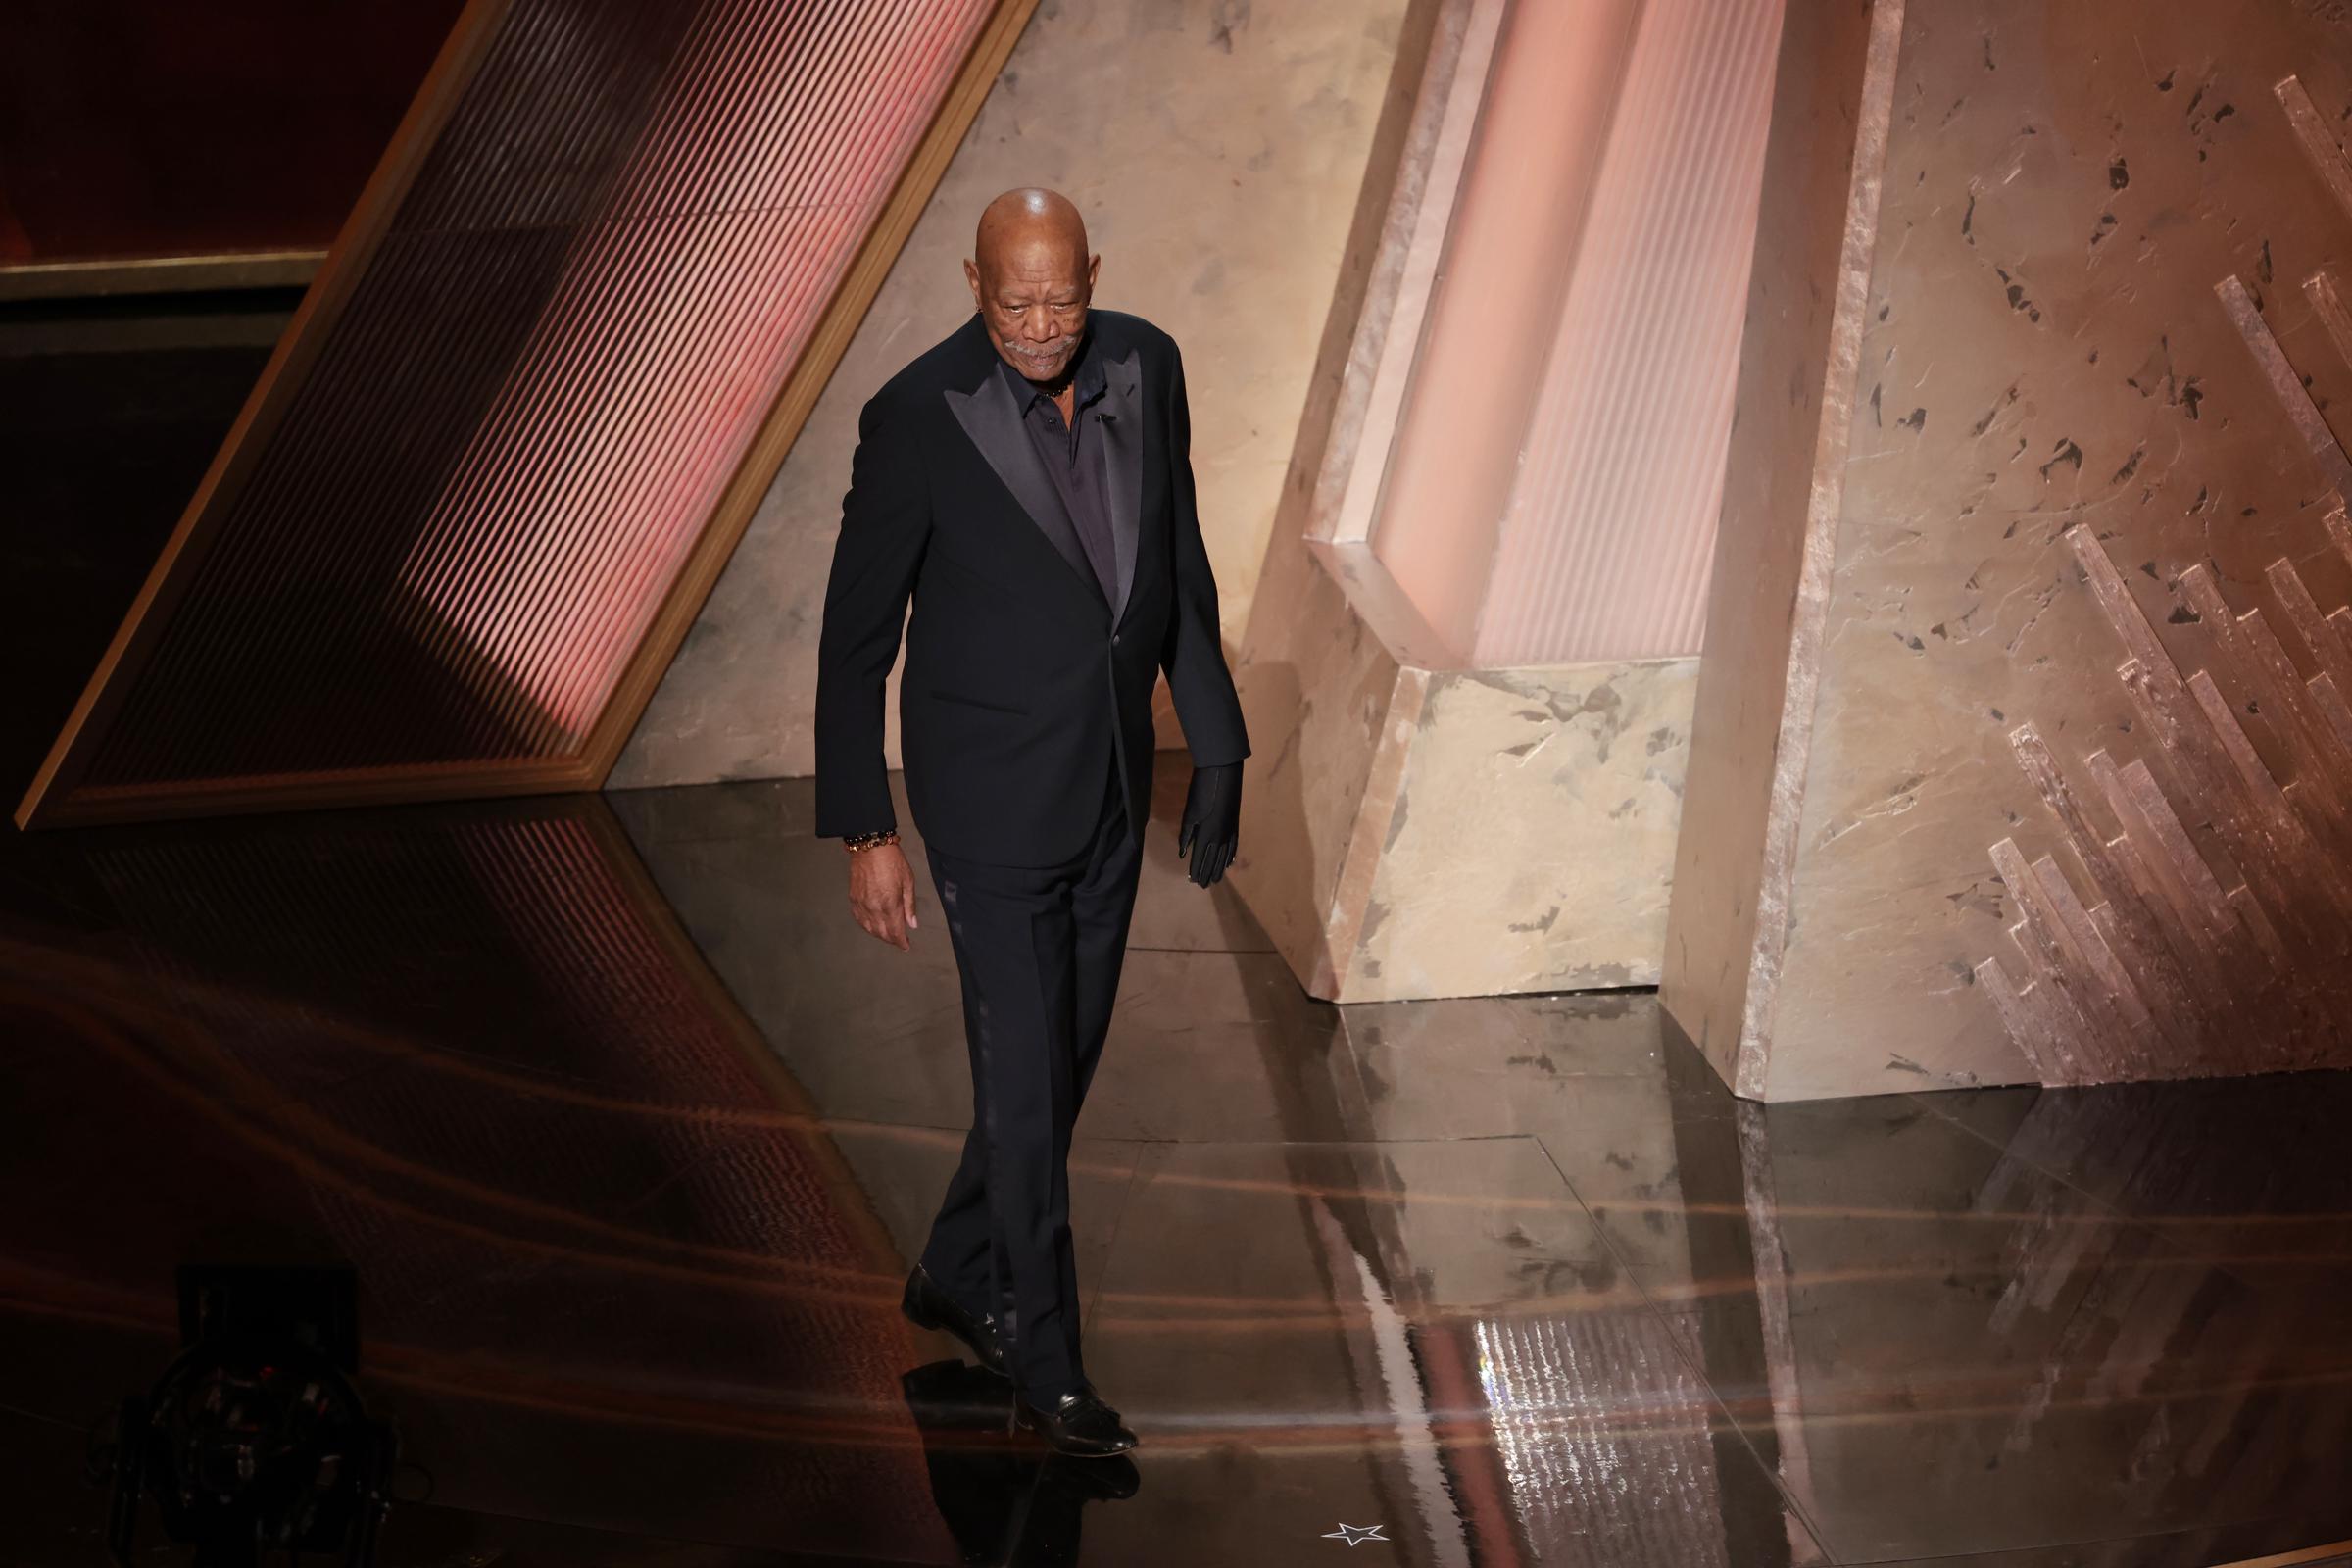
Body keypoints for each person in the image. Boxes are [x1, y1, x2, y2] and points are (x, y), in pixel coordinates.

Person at [812, 187, 1249, 1457]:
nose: (1044, 323)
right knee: (1023, 1084)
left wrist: (1212, 737)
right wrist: (865, 830)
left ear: (1093, 275)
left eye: (1064, 296)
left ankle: (956, 1261)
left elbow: (1180, 564)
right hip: (987, 799)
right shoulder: (914, 417)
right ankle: (1038, 1348)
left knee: (1058, 1067)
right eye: (1017, 302)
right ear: (973, 281)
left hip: (1110, 784)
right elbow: (855, 642)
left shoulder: (1144, 363)